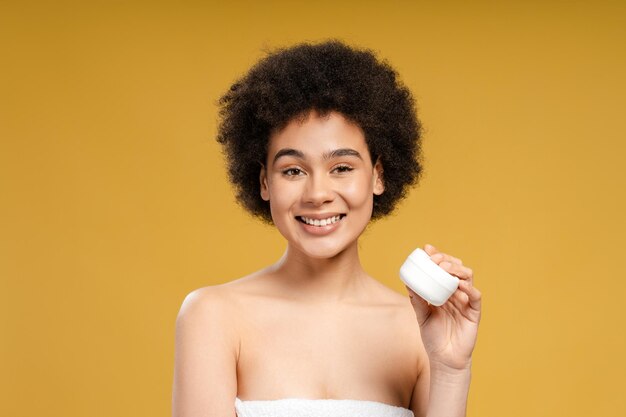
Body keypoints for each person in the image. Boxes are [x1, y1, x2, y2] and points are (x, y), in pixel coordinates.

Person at [172, 40, 482, 417]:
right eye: (293, 171)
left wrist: (452, 370)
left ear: (378, 176)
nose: (318, 194)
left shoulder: (420, 329)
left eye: (342, 168)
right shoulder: (213, 317)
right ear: (264, 182)